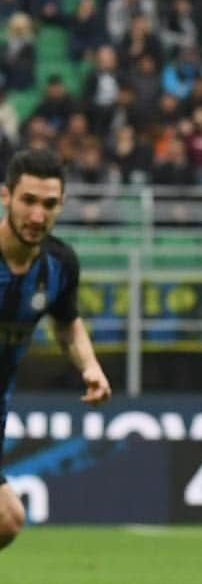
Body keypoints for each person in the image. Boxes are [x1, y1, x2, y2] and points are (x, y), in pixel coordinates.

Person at [0, 147, 112, 550]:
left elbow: (66, 323)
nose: (37, 215)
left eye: (49, 204)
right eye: (28, 201)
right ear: (6, 196)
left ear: (62, 204)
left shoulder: (59, 265)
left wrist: (90, 367)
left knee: (6, 521)